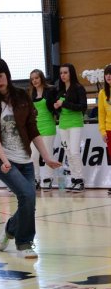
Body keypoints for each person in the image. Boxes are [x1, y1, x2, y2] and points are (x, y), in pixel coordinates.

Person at [0, 59, 62, 259]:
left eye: (0, 76)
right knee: (27, 194)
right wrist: (4, 160)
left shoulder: (21, 96)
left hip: (25, 159)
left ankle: (9, 229)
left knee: (29, 201)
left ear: (7, 75)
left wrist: (47, 157)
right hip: (2, 160)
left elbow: (32, 129)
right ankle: (24, 243)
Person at [54, 63, 87, 192]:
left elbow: (82, 107)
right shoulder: (60, 90)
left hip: (75, 124)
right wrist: (57, 107)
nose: (63, 75)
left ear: (71, 73)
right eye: (61, 73)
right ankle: (74, 179)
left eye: (65, 72)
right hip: (63, 125)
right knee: (68, 153)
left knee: (74, 152)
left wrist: (64, 103)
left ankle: (80, 180)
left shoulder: (78, 88)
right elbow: (59, 109)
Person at [28, 69, 58, 191]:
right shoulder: (31, 94)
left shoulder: (51, 90)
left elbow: (55, 107)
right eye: (32, 79)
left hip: (48, 125)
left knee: (47, 155)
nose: (34, 81)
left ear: (41, 78)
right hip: (35, 128)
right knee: (33, 156)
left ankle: (48, 178)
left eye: (36, 78)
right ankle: (36, 179)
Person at [98, 64, 111, 195]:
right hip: (109, 130)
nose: (108, 76)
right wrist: (102, 131)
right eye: (106, 74)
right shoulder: (102, 93)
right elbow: (101, 114)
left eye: (110, 73)